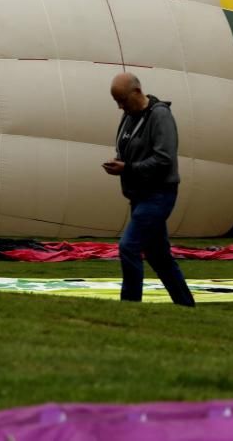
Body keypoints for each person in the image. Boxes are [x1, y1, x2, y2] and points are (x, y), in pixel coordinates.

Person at [102, 72, 195, 307]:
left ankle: (131, 306)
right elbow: (129, 148)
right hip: (139, 197)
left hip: (158, 195)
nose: (120, 106)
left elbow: (164, 159)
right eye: (116, 102)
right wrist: (121, 163)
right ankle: (186, 306)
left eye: (122, 100)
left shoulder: (160, 116)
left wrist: (128, 168)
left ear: (136, 92)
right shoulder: (129, 117)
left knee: (129, 246)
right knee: (158, 256)